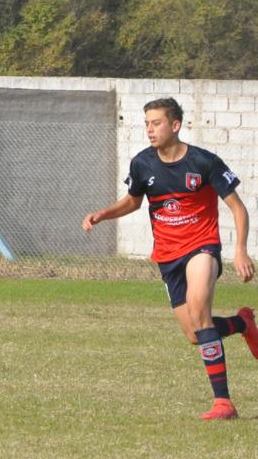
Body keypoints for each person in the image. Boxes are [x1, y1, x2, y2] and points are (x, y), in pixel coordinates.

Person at [83, 97, 258, 419]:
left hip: (202, 248)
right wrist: (102, 214)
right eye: (147, 123)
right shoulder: (142, 164)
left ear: (175, 125)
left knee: (201, 316)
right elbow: (133, 202)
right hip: (168, 256)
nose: (150, 129)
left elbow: (237, 207)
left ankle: (223, 403)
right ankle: (242, 323)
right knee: (195, 334)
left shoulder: (204, 162)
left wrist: (240, 250)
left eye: (157, 123)